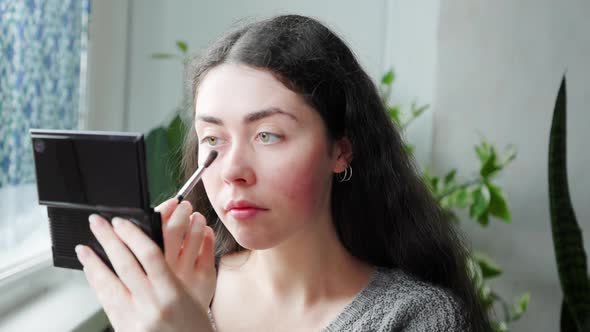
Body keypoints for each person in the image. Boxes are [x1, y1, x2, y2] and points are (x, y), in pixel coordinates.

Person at [76, 14, 492, 331]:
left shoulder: (418, 318)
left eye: (268, 135)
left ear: (341, 150)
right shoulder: (175, 298)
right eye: (213, 140)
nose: (233, 171)